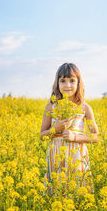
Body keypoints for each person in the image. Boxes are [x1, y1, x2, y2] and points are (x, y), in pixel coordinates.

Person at [40, 63, 99, 196]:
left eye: (72, 81)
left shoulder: (85, 108)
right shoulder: (50, 107)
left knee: (78, 193)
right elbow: (42, 136)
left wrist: (75, 137)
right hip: (56, 157)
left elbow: (95, 136)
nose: (67, 85)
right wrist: (55, 129)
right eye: (63, 81)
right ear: (57, 84)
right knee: (56, 195)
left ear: (79, 83)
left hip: (77, 156)